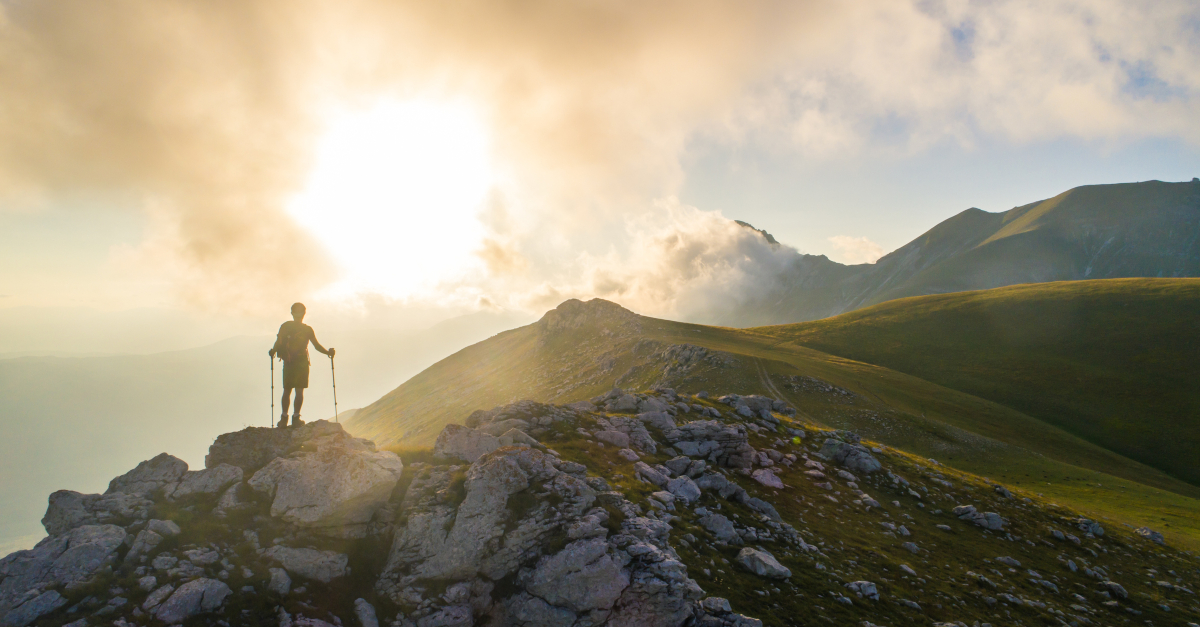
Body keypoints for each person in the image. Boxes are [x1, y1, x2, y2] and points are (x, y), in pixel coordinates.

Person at [268, 302, 334, 427]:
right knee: (299, 391)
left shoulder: (285, 326)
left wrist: (273, 351)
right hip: (302, 362)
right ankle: (296, 417)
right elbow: (316, 345)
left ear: (292, 313)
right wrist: (328, 353)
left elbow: (278, 341)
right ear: (304, 313)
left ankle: (284, 418)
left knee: (287, 390)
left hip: (289, 362)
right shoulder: (307, 329)